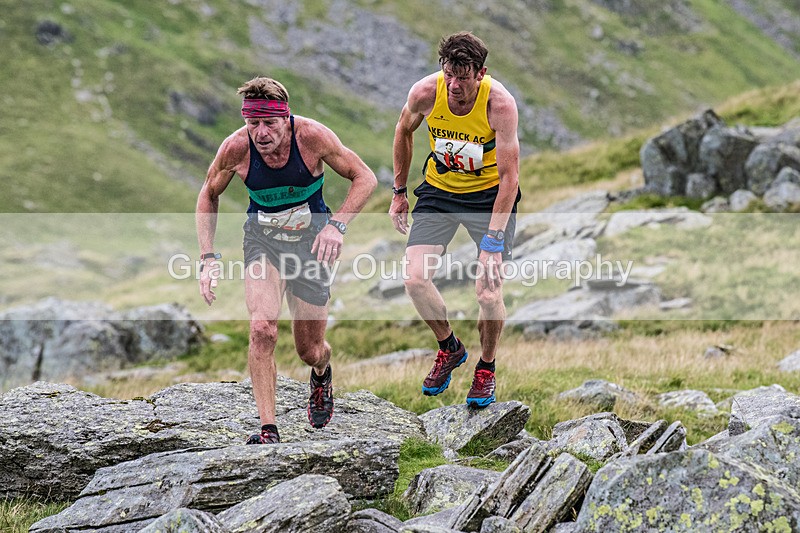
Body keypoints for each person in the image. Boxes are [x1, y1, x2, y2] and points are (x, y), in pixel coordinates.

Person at [196, 77, 377, 443]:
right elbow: (208, 194)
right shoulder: (235, 148)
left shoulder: (312, 137)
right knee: (262, 328)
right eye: (253, 124)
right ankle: (268, 429)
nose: (261, 133)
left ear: (286, 117)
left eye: (270, 123)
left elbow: (365, 177)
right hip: (263, 242)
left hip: (312, 245)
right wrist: (207, 257)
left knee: (309, 350)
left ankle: (322, 374)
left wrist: (337, 226)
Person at [389, 31, 521, 408]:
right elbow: (403, 130)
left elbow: (510, 179)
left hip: (488, 196)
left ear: (481, 74)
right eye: (450, 74)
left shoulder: (500, 105)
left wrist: (493, 245)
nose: (456, 85)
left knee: (488, 291)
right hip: (441, 190)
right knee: (414, 278)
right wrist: (399, 192)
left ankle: (486, 368)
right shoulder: (425, 93)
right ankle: (449, 347)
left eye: (464, 77)